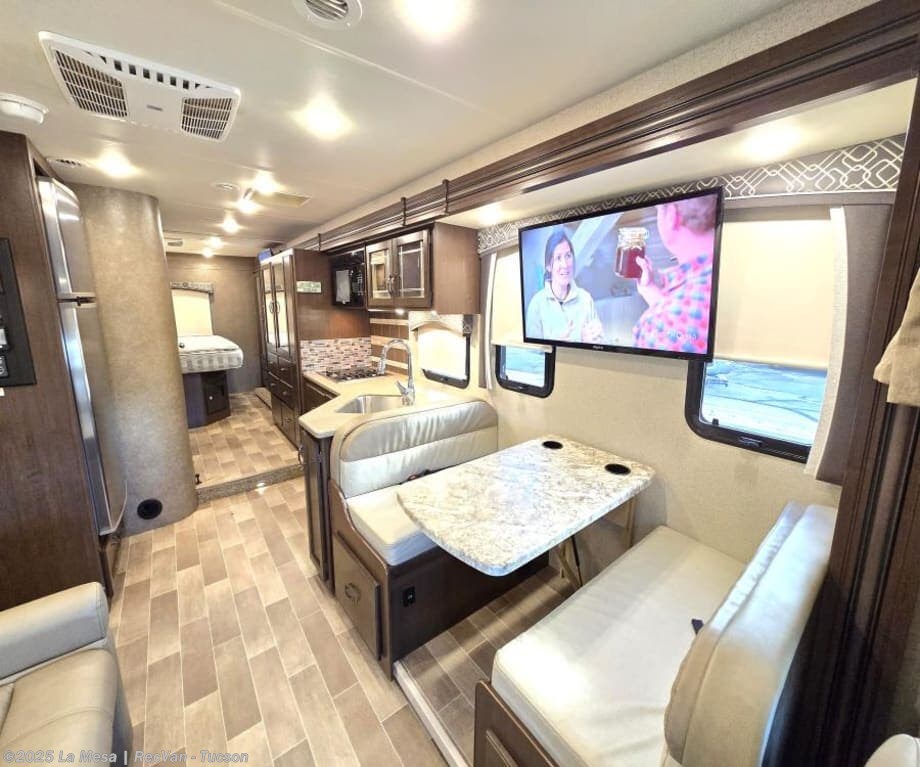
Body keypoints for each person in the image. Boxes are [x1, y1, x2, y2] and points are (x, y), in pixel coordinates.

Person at [632, 195, 718, 354]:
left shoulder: (657, 326)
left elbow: (673, 329)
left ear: (672, 215)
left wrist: (657, 315)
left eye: (659, 211)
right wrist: (650, 289)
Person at [525, 228, 604, 344]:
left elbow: (599, 346)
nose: (565, 264)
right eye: (558, 258)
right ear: (548, 266)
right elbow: (532, 352)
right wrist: (554, 346)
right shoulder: (537, 304)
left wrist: (593, 341)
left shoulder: (586, 299)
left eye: (568, 256)